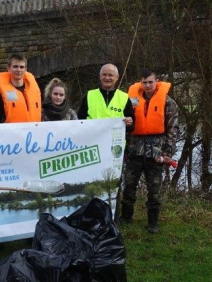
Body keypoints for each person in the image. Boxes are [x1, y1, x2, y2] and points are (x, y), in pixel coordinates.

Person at [121, 69, 179, 233]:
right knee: (129, 187)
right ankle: (126, 218)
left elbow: (173, 129)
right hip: (135, 151)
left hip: (156, 153)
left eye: (150, 82)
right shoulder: (131, 101)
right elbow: (125, 125)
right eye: (144, 82)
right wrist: (124, 148)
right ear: (140, 83)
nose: (147, 85)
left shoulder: (168, 103)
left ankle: (153, 223)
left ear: (156, 82)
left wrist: (167, 153)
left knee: (154, 190)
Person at [77, 63, 135, 129]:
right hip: (94, 138)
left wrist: (129, 123)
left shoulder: (124, 97)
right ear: (100, 76)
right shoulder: (89, 95)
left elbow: (131, 125)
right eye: (104, 75)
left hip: (116, 138)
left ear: (117, 77)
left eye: (110, 75)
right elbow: (80, 121)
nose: (107, 78)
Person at [0, 52, 42, 123]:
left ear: (25, 69)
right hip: (11, 133)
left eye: (22, 67)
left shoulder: (34, 91)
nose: (19, 70)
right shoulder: (0, 94)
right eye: (15, 66)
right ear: (8, 68)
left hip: (32, 133)